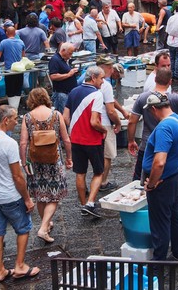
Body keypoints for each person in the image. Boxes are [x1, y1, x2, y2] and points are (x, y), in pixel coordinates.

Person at [0, 105, 40, 282]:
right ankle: (20, 265)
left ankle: (0, 270)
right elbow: (17, 176)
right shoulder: (9, 144)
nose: (16, 121)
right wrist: (27, 199)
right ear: (5, 120)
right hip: (11, 196)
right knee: (23, 229)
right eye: (14, 118)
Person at [129, 68, 178, 181]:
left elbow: (132, 121)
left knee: (139, 180)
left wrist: (131, 141)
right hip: (169, 148)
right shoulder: (176, 99)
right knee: (165, 177)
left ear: (155, 79)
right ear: (170, 81)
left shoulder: (143, 97)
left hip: (147, 146)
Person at [19, 88, 72, 243]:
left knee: (40, 195)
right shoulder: (56, 115)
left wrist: (24, 162)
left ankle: (46, 224)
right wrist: (69, 157)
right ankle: (43, 228)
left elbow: (23, 143)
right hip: (54, 160)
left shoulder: (28, 117)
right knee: (55, 195)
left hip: (36, 161)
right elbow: (66, 139)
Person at [142, 91, 178, 263]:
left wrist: (153, 183)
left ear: (154, 108)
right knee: (176, 216)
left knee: (160, 223)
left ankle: (158, 263)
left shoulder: (164, 127)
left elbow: (159, 162)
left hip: (164, 181)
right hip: (176, 175)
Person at [63, 66, 107, 217]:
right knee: (98, 172)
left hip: (76, 139)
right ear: (93, 78)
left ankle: (83, 204)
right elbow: (94, 122)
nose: (103, 81)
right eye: (101, 78)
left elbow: (65, 118)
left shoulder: (73, 91)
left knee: (80, 173)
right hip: (92, 140)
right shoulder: (97, 94)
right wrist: (104, 129)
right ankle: (90, 203)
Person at [95, 56, 122, 191]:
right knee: (107, 155)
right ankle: (103, 182)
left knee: (95, 155)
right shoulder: (105, 84)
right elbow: (110, 110)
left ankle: (93, 182)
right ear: (101, 67)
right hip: (104, 122)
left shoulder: (86, 80)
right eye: (109, 68)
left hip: (91, 122)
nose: (112, 70)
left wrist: (122, 109)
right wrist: (118, 123)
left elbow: (110, 100)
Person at [0, 26, 25, 110]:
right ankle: (15, 108)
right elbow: (23, 56)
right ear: (15, 33)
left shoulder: (3, 42)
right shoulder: (21, 42)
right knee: (18, 89)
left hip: (9, 70)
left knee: (10, 90)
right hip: (19, 70)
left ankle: (13, 109)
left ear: (6, 33)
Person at [49, 42, 78, 113]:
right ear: (63, 50)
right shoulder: (55, 60)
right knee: (63, 115)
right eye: (69, 53)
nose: (70, 56)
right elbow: (53, 76)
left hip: (67, 92)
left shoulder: (64, 60)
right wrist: (69, 74)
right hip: (61, 93)